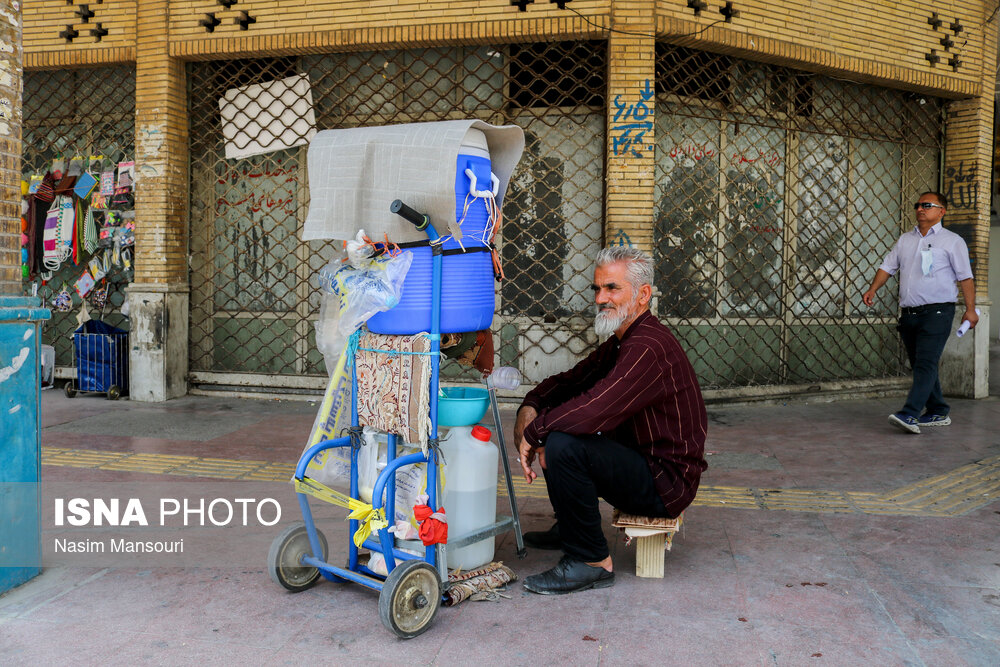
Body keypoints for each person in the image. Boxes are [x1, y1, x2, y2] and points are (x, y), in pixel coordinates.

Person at [513, 246, 708, 595]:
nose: (601, 298)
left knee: (562, 441)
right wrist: (531, 406)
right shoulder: (622, 342)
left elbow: (596, 408)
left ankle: (591, 561)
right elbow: (571, 381)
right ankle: (573, 527)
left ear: (643, 295)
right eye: (597, 289)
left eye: (612, 288)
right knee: (557, 429)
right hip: (642, 463)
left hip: (665, 482)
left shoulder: (647, 347)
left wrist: (537, 430)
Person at [862, 191, 978, 434]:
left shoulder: (952, 241)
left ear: (941, 211)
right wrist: (873, 289)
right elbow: (887, 266)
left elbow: (966, 277)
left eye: (927, 205)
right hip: (910, 314)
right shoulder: (906, 239)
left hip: (938, 313)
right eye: (917, 205)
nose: (920, 209)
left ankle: (910, 413)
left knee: (926, 362)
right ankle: (938, 410)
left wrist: (970, 310)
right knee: (921, 365)